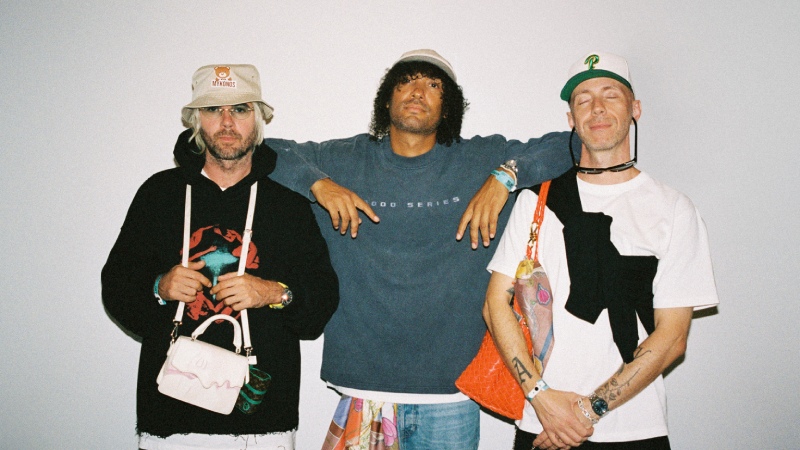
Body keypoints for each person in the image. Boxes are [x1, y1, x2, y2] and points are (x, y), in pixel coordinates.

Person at [222, 49, 576, 449]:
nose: (418, 91)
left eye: (433, 84)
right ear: (386, 99)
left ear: (448, 107)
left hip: (453, 396)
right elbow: (264, 150)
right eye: (406, 81)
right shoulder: (343, 160)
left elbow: (571, 144)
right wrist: (319, 184)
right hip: (363, 389)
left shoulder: (480, 158)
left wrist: (505, 177)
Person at [483, 52, 719, 450]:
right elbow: (495, 305)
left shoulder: (673, 209)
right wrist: (541, 396)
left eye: (610, 95)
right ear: (571, 119)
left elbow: (673, 337)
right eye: (583, 99)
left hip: (634, 429)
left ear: (635, 109)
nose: (597, 107)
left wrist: (586, 412)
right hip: (542, 424)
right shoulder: (536, 202)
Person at [102, 64, 339, 450]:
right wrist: (159, 287)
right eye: (213, 109)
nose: (227, 122)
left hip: (262, 422)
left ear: (258, 120)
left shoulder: (288, 205)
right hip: (169, 420)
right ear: (197, 120)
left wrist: (273, 293)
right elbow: (115, 287)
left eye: (240, 109)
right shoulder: (159, 194)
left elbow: (321, 302)